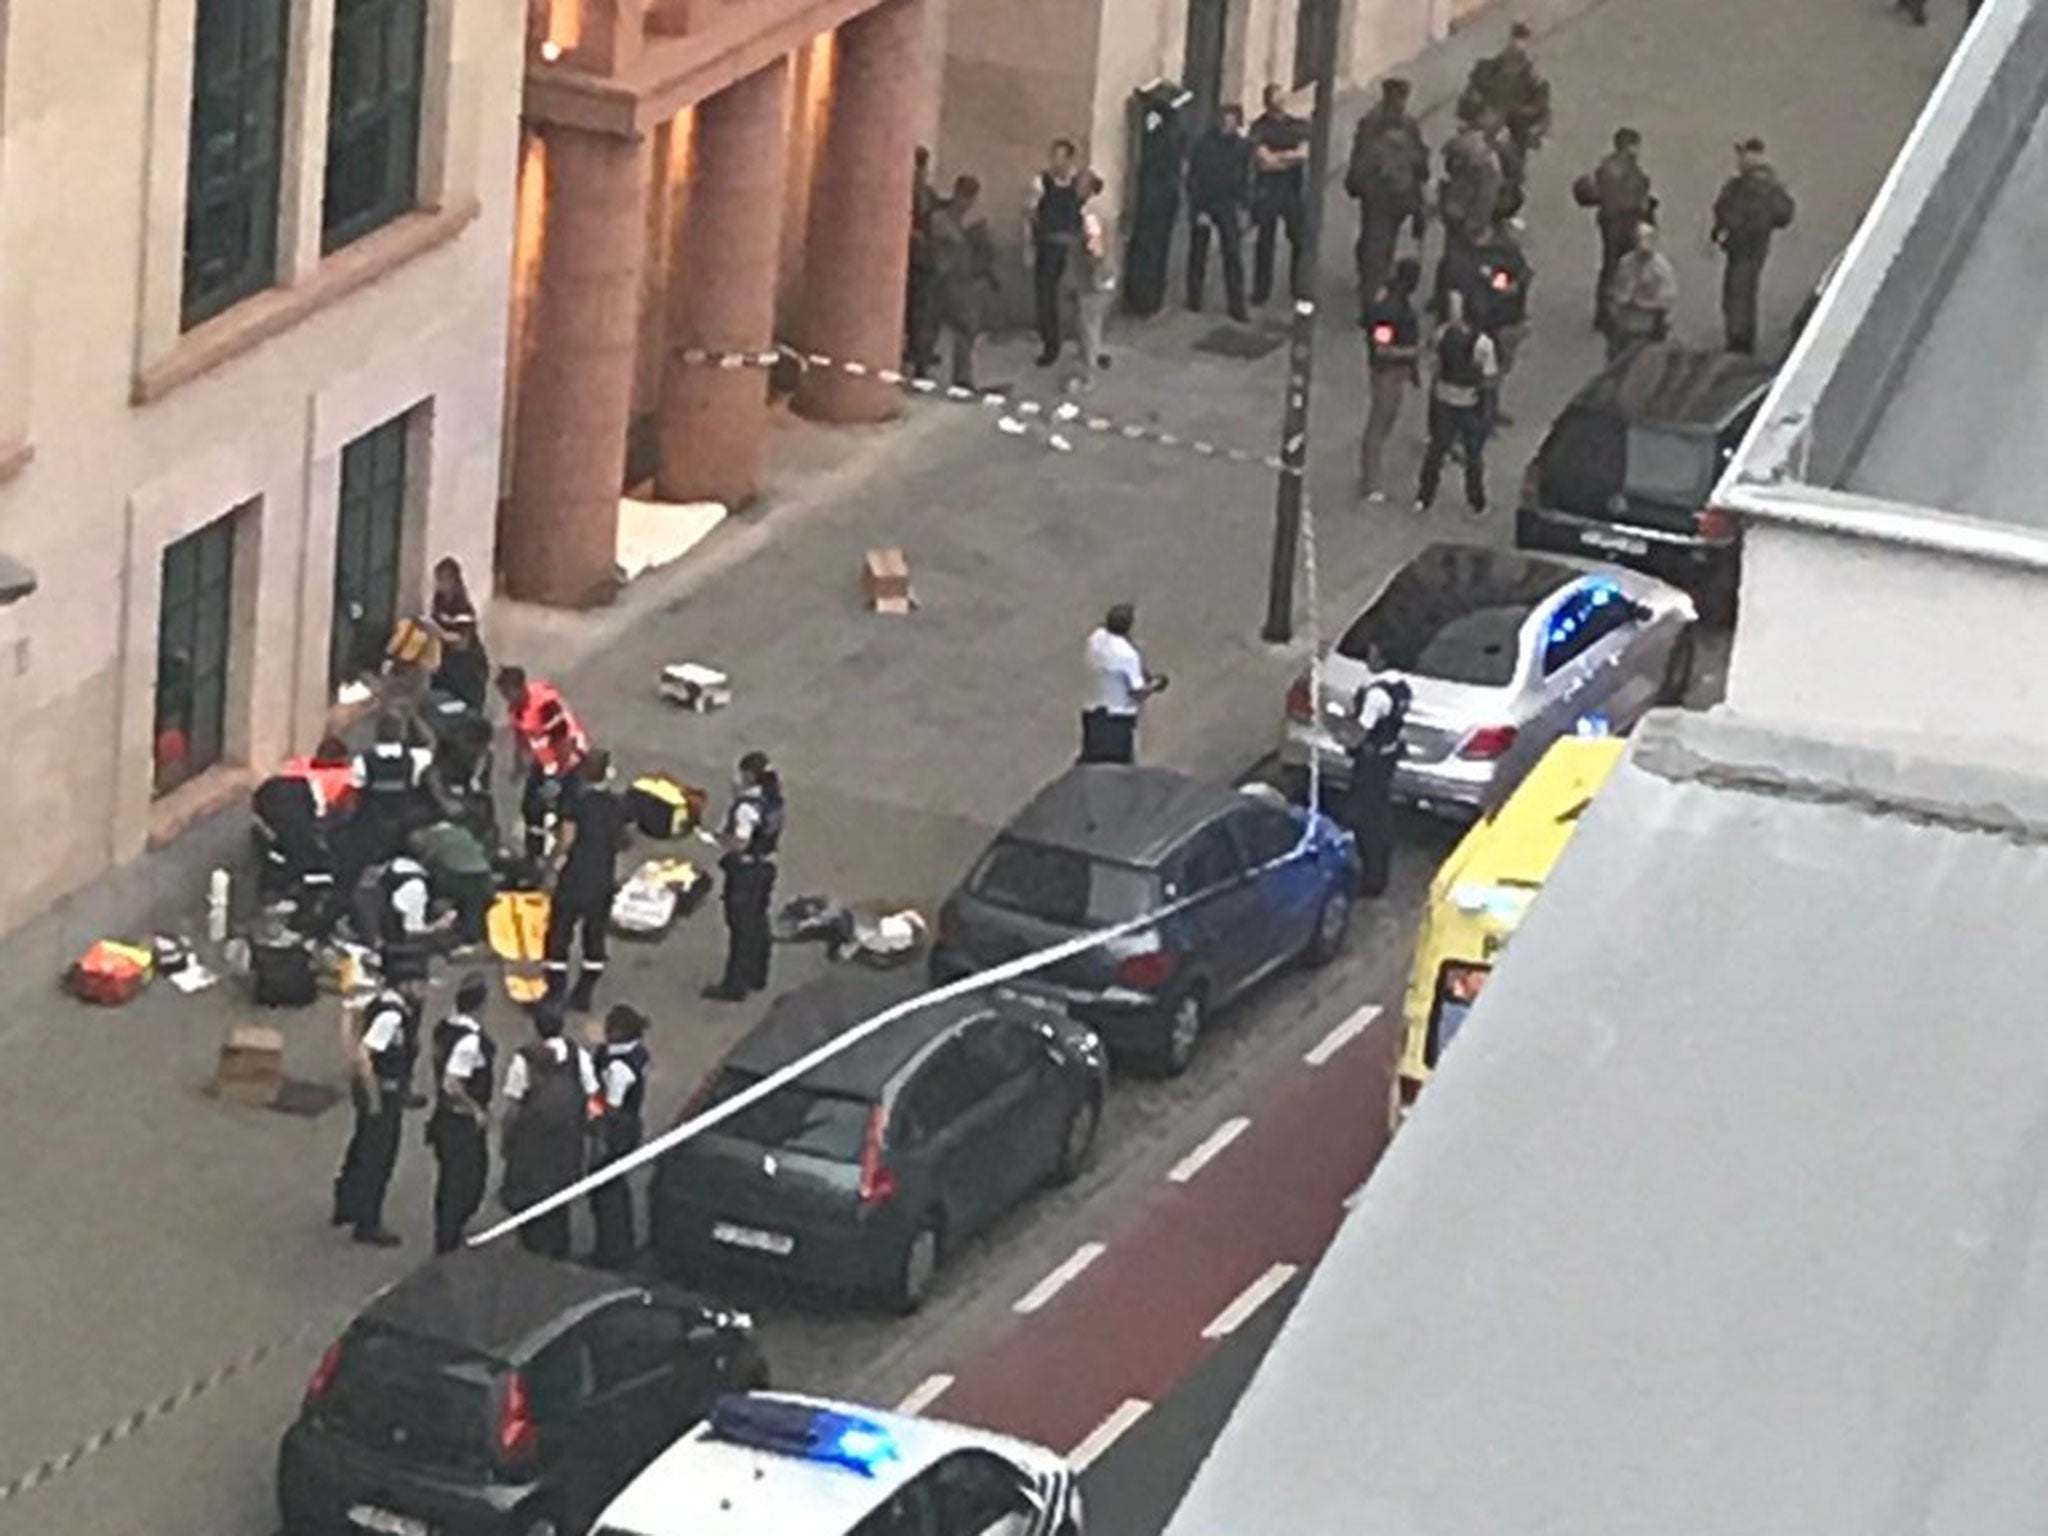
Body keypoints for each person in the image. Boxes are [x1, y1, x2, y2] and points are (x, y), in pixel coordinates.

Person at [499, 1004, 598, 1259]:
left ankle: (531, 1251)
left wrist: (506, 1139)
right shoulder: (579, 1056)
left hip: (531, 1145)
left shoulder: (524, 1060)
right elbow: (593, 1098)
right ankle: (558, 1250)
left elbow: (513, 1106)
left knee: (529, 1199)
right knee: (559, 1199)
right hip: (567, 1143)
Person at [331, 979, 422, 1247]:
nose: (423, 988)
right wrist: (373, 1096)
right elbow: (364, 1054)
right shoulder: (392, 1016)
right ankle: (367, 1223)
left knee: (360, 1147)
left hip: (375, 1089)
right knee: (378, 1158)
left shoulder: (381, 1003)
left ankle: (346, 1205)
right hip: (383, 1092)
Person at [545, 750, 627, 1012]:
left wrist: (548, 867)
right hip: (602, 879)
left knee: (559, 935)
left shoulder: (576, 804)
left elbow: (566, 841)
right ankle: (584, 992)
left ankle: (556, 990)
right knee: (595, 937)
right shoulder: (618, 805)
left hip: (574, 878)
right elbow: (624, 838)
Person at [703, 751, 785, 1002]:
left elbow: (740, 842)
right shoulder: (773, 800)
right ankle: (758, 973)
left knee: (740, 927)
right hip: (766, 865)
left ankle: (734, 985)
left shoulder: (746, 809)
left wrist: (716, 839)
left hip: (746, 872)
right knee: (758, 921)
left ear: (749, 776)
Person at [1344, 79, 1429, 316]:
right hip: (1379, 194)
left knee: (1382, 241)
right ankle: (1371, 293)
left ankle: (1375, 282)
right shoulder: (1374, 123)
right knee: (1376, 243)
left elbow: (1419, 157)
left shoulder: (1407, 124)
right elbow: (1362, 155)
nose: (1401, 102)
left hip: (1398, 194)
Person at [426, 974, 495, 1254]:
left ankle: (449, 1231)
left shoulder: (444, 1028)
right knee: (466, 1180)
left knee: (453, 1178)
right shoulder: (470, 1041)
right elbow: (452, 1083)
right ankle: (448, 1240)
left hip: (445, 1118)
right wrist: (475, 1109)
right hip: (460, 1121)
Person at [1416, 289, 1498, 517]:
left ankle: (1424, 496)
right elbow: (1489, 378)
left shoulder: (1443, 333)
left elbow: (1432, 361)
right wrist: (1488, 411)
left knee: (1436, 450)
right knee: (1473, 456)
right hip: (1469, 402)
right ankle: (1476, 501)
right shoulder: (1483, 344)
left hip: (1443, 399)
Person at [496, 666, 589, 865]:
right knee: (531, 807)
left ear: (519, 688)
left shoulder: (546, 707)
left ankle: (563, 858)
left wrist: (558, 779)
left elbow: (563, 744)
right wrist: (519, 764)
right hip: (545, 759)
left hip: (569, 762)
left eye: (507, 693)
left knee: (567, 811)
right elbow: (521, 735)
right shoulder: (516, 707)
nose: (506, 698)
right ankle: (534, 854)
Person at [1711, 138, 1796, 355]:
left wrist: (1725, 226)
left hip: (1748, 245)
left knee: (1739, 291)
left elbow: (1781, 214)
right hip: (1745, 245)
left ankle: (1740, 341)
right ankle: (1740, 338)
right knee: (1740, 291)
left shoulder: (1753, 186)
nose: (1738, 160)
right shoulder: (1753, 184)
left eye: (1742, 155)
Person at [1340, 662, 1412, 899]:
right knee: (1379, 813)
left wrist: (1342, 732)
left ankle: (1371, 878)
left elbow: (1360, 732)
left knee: (1365, 817)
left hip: (1371, 762)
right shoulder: (1400, 686)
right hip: (1387, 759)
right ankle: (1378, 871)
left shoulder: (1377, 695)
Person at [1574, 128, 1654, 332]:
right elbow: (1630, 197)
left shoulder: (1608, 167)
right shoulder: (1624, 170)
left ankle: (1605, 313)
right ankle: (1612, 312)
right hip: (1622, 222)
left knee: (1610, 265)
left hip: (1611, 221)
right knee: (1620, 267)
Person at [589, 1004, 651, 1268]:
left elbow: (610, 1108)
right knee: (615, 1186)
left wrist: (592, 1118)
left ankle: (611, 1250)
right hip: (629, 1125)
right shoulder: (636, 1053)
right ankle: (619, 1242)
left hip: (617, 1132)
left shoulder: (618, 1069)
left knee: (606, 1190)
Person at [1359, 258, 1424, 504]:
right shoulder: (1389, 309)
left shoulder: (1392, 299)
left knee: (1386, 422)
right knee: (1378, 424)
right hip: (1386, 372)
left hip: (1396, 371)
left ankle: (1371, 476)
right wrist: (1413, 352)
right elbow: (1381, 349)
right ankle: (1370, 481)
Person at [929, 174, 999, 390]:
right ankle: (958, 376)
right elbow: (942, 245)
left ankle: (962, 375)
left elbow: (987, 250)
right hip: (950, 277)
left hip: (965, 278)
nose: (967, 201)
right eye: (966, 196)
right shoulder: (943, 218)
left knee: (966, 329)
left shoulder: (968, 220)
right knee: (960, 327)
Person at [1186, 105, 1252, 321]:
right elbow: (1194, 176)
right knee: (1198, 253)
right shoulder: (1204, 144)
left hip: (1228, 203)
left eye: (1231, 121)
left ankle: (1236, 304)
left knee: (1232, 253)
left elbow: (1245, 177)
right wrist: (1198, 208)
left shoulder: (1241, 147)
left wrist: (1243, 206)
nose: (1227, 125)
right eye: (1224, 120)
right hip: (1205, 202)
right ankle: (1194, 297)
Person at [1081, 603, 1168, 764]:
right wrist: (1156, 685)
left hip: (1093, 711)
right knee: (1118, 763)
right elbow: (1136, 692)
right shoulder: (1128, 655)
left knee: (1090, 757)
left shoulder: (1095, 638)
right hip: (1118, 715)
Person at [1248, 85, 1310, 306]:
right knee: (1265, 243)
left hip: (1291, 191)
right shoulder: (1259, 127)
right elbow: (1264, 162)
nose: (1280, 102)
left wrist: (1278, 157)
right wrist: (1289, 157)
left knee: (1299, 241)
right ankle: (1261, 291)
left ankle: (1298, 288)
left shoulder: (1297, 125)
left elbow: (1303, 155)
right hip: (1269, 192)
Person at [351, 710, 435, 871]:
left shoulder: (362, 760)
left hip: (371, 826)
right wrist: (414, 718)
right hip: (406, 826)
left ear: (376, 732)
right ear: (400, 733)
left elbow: (356, 788)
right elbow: (429, 744)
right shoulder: (416, 758)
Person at [1026, 139, 1085, 367]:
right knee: (1046, 297)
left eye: (1061, 156)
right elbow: (1031, 214)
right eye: (1054, 156)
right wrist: (1030, 244)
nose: (1056, 161)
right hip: (1048, 245)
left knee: (1074, 297)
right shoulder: (1041, 182)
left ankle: (1081, 344)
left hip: (1071, 247)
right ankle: (1051, 343)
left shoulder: (1078, 183)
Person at [1465, 23, 1552, 159]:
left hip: (1510, 136)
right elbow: (1468, 103)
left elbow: (1540, 110)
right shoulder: (1485, 69)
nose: (1517, 45)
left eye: (1522, 40)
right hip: (1484, 133)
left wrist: (1516, 117)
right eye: (1516, 38)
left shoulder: (1533, 79)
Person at [1067, 174, 1117, 392]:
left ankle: (1087, 376)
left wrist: (1093, 273)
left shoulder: (1090, 214)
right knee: (1093, 324)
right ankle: (1092, 361)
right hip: (1106, 275)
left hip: (1094, 279)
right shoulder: (1104, 208)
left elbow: (1095, 247)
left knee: (1088, 327)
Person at [1605, 219, 1677, 360]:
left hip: (1651, 320)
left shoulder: (1661, 269)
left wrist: (1644, 302)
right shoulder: (1626, 263)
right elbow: (1619, 290)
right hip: (1627, 318)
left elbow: (1667, 300)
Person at [1437, 105, 1503, 260]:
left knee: (1453, 253)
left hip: (1455, 210)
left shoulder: (1466, 143)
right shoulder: (1483, 155)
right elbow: (1486, 195)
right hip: (1470, 215)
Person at [429, 557, 489, 710]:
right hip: (446, 664)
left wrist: (440, 634)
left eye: (443, 580)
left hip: (467, 667)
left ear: (453, 581)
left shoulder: (463, 608)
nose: (439, 584)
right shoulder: (439, 601)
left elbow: (463, 642)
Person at [905, 147, 941, 376]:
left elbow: (936, 211)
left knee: (924, 310)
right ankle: (918, 354)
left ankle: (921, 355)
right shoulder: (905, 191)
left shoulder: (926, 192)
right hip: (911, 258)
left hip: (925, 258)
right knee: (917, 310)